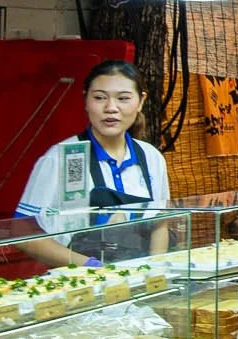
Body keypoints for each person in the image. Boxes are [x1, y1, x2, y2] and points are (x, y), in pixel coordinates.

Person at [16, 60, 173, 265]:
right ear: (86, 100)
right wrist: (90, 267)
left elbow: (159, 223)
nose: (111, 108)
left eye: (123, 98)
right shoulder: (64, 158)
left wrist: (155, 270)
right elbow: (22, 231)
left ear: (141, 101)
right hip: (79, 283)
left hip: (138, 280)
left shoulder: (151, 158)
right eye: (99, 98)